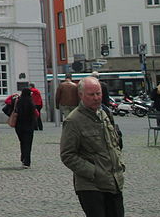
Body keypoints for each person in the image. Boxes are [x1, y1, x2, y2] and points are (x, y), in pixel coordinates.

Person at [60, 77, 125, 217]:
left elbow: (114, 143)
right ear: (81, 95)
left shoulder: (105, 113)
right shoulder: (73, 121)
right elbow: (67, 155)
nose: (96, 98)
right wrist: (94, 172)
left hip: (114, 181)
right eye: (91, 94)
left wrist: (120, 164)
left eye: (98, 93)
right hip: (91, 186)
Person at [12, 87, 37, 168]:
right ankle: (27, 161)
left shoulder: (18, 101)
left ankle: (23, 157)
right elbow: (34, 114)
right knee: (28, 144)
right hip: (29, 126)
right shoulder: (31, 103)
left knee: (22, 142)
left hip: (19, 126)